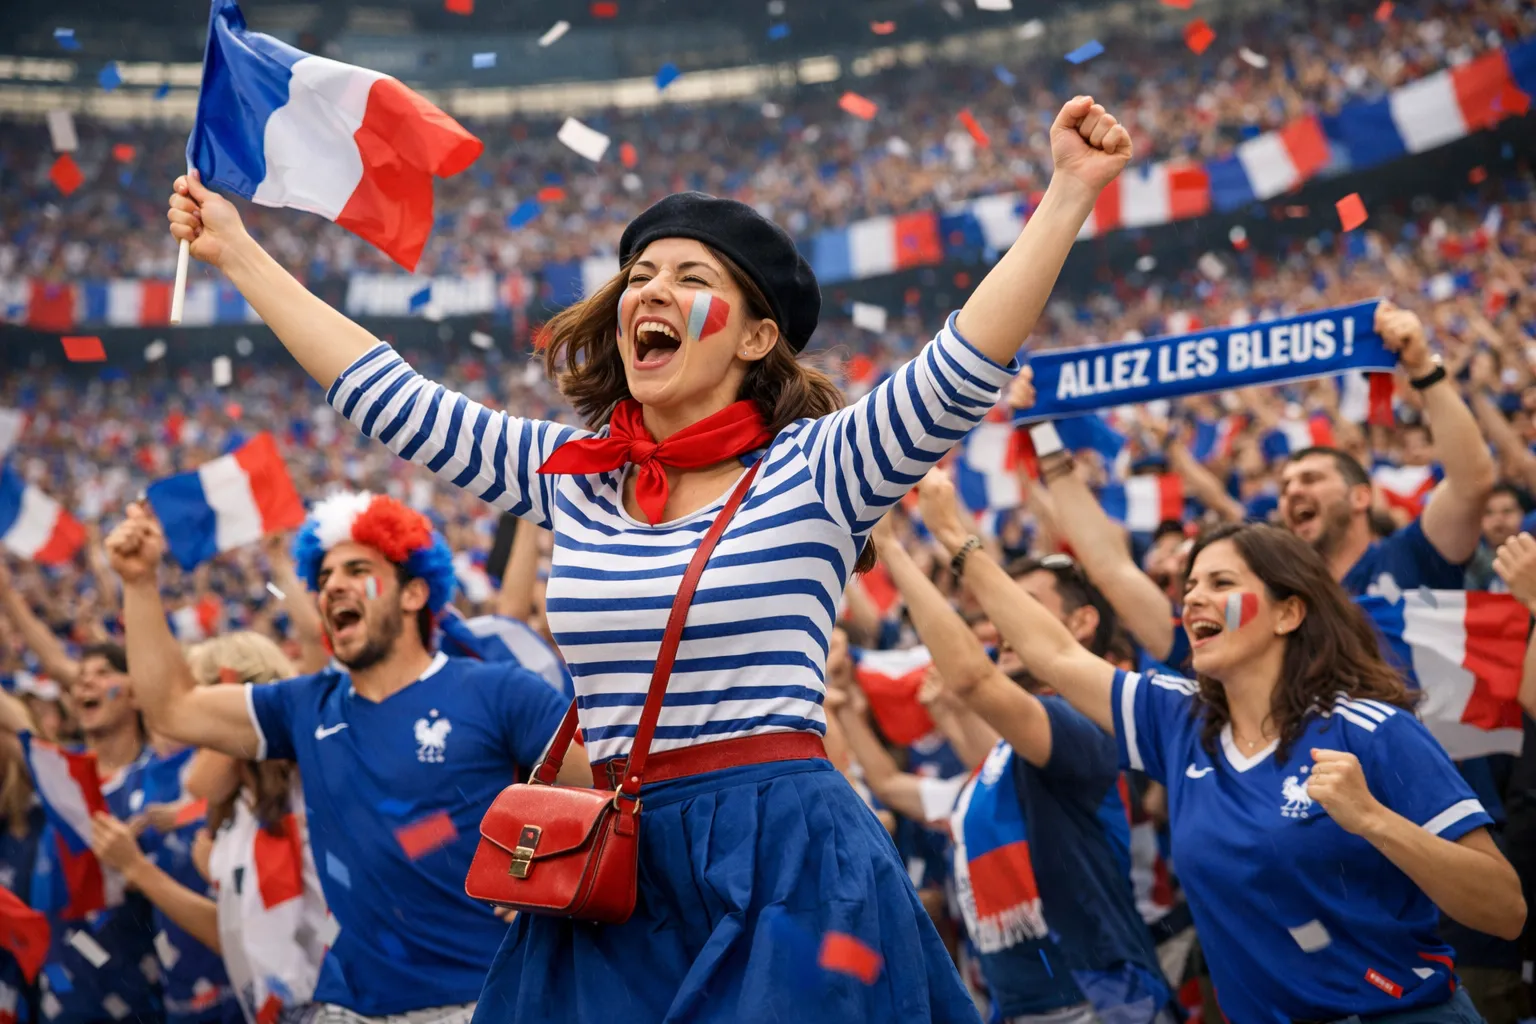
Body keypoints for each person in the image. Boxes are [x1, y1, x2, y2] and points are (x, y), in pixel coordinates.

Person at [167, 88, 1136, 1022]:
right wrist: (238, 252)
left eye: (690, 277)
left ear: (759, 336)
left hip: (783, 858)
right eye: (639, 275)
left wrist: (1068, 192)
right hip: (620, 865)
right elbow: (387, 393)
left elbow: (964, 362)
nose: (650, 292)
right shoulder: (575, 478)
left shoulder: (822, 466)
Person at [917, 467, 1525, 1023]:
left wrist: (1375, 821)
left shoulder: (1371, 730)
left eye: (1221, 582)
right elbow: (1055, 654)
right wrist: (956, 540)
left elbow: (1504, 907)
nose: (1192, 597)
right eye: (1191, 584)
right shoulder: (1179, 723)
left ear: (1288, 613)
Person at [104, 494, 580, 1023]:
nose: (332, 585)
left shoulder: (498, 692)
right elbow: (172, 710)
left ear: (414, 592)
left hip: (486, 1000)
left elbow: (613, 794)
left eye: (358, 569)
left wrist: (554, 879)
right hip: (348, 1007)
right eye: (325, 574)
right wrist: (139, 583)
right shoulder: (305, 705)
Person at [832, 512, 1173, 1024]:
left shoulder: (1083, 724)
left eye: (1022, 608)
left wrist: (894, 551)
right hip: (1019, 1007)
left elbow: (972, 680)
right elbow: (938, 748)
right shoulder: (1005, 751)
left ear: (1081, 624)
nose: (1000, 624)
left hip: (1096, 1003)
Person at [1280, 303, 1495, 595]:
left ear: (1360, 496)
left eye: (1310, 479)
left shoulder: (1409, 557)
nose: (1292, 491)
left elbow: (1473, 482)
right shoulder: (1290, 599)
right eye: (1285, 486)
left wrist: (1421, 367)